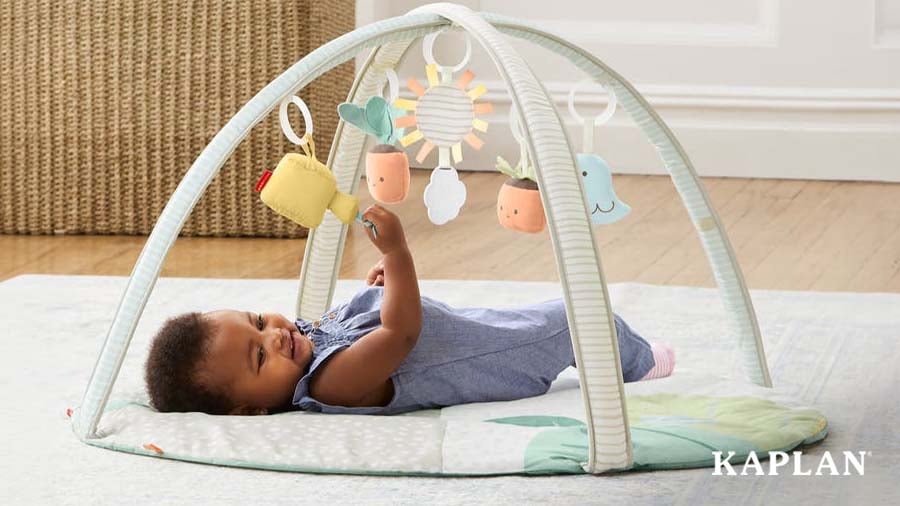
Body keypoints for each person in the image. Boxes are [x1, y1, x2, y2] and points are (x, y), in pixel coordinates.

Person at [144, 205, 675, 416]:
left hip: (466, 329)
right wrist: (396, 255)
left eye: (258, 321)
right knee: (571, 318)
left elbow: (366, 320)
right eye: (259, 358)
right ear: (250, 411)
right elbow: (398, 334)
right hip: (485, 361)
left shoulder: (304, 343)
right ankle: (641, 363)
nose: (274, 336)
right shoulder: (330, 384)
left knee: (536, 315)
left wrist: (377, 285)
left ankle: (629, 353)